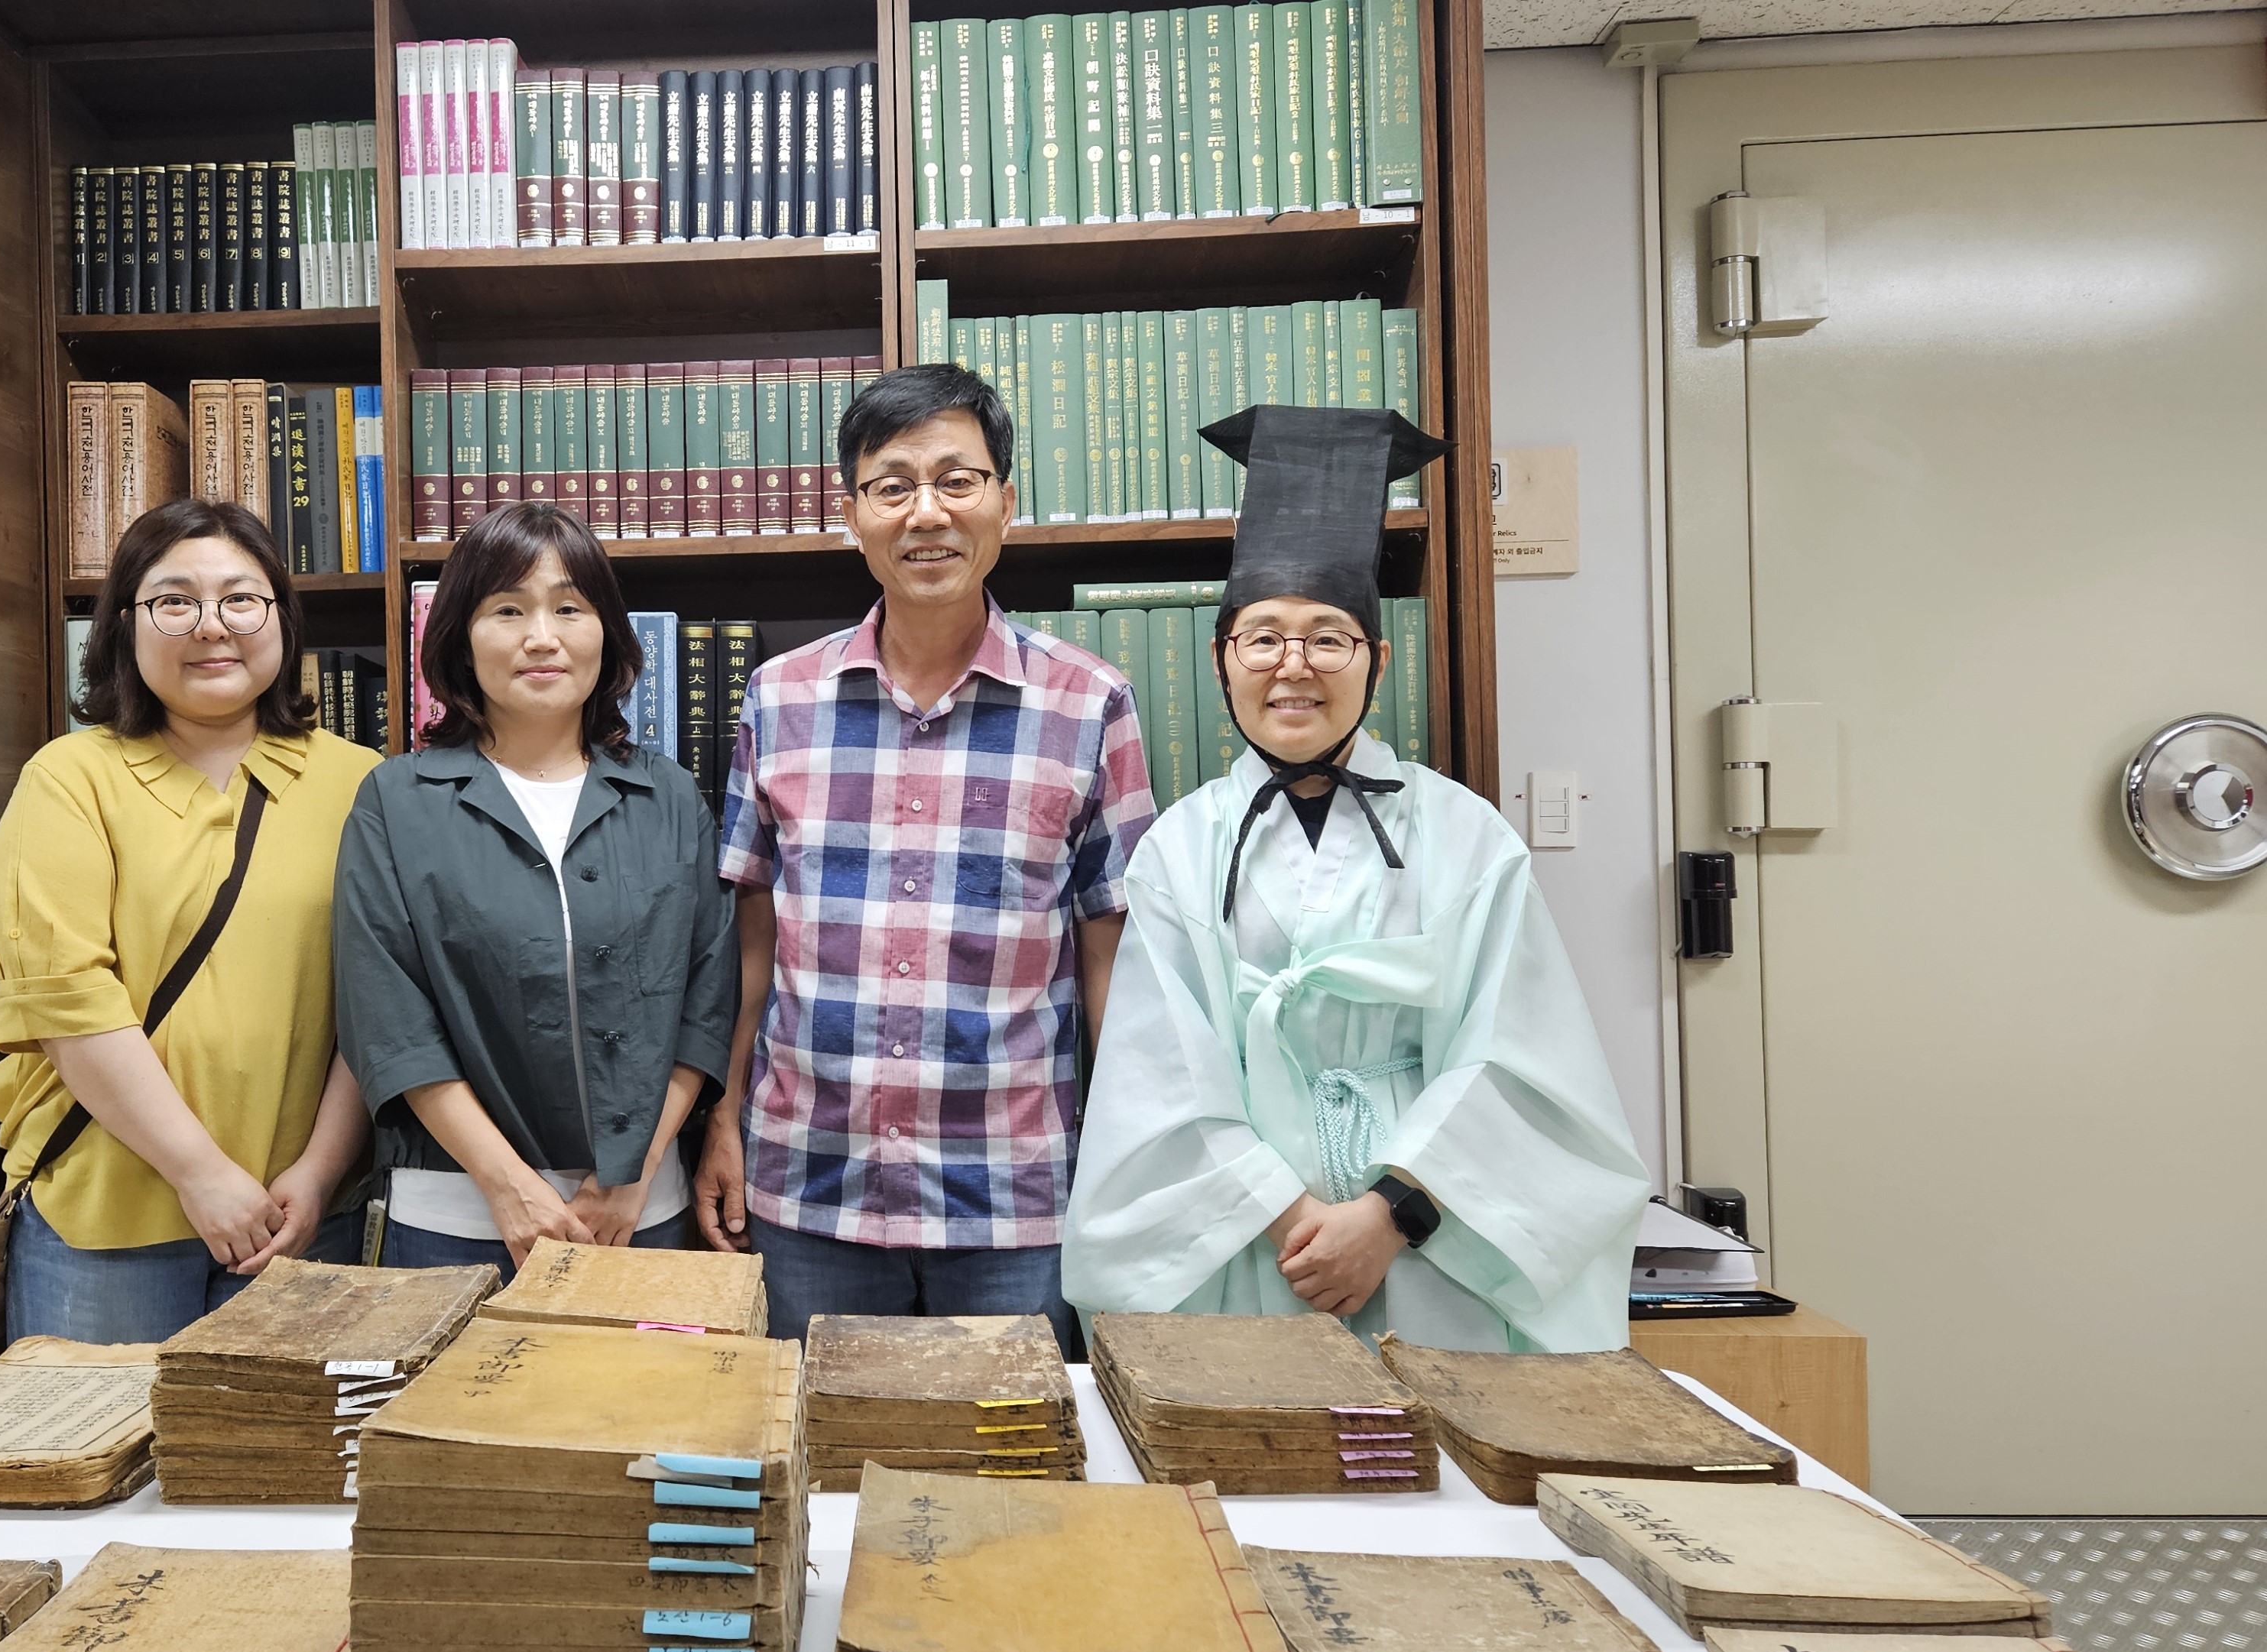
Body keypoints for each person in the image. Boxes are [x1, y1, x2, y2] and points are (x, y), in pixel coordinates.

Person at [1060, 406, 1647, 1350]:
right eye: (1262, 638)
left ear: (1377, 659)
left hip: (1432, 1243)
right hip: (1246, 1245)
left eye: (1327, 638)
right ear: (1221, 661)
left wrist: (1389, 1216)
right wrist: (1288, 1218)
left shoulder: (1466, 835)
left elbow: (1524, 1058)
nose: (1293, 667)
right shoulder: (1179, 847)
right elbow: (1156, 1076)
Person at [697, 363, 1157, 1346]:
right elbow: (751, 944)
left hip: (1013, 1200)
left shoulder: (1090, 704)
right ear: (851, 515)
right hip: (809, 1184)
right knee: (814, 1438)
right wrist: (722, 1119)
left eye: (957, 481)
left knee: (1013, 1443)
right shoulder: (778, 698)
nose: (927, 513)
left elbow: (1110, 961)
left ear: (1005, 503)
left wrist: (1127, 1158)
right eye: (893, 486)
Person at [0, 497, 378, 1343]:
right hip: (106, 1218)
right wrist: (200, 1174)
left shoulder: (361, 783)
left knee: (282, 1439)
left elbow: (379, 1000)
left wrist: (320, 1172)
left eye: (241, 598)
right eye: (175, 601)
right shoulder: (68, 778)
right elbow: (65, 1000)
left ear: (281, 618)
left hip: (303, 1217)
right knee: (100, 1434)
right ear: (124, 624)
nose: (211, 625)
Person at [335, 502, 737, 1280]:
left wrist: (635, 1171)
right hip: (453, 1222)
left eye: (570, 608)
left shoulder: (670, 797)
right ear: (460, 635)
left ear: (607, 632)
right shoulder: (396, 800)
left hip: (642, 1215)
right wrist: (506, 1184)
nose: (542, 637)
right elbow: (388, 1020)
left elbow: (706, 1000)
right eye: (508, 609)